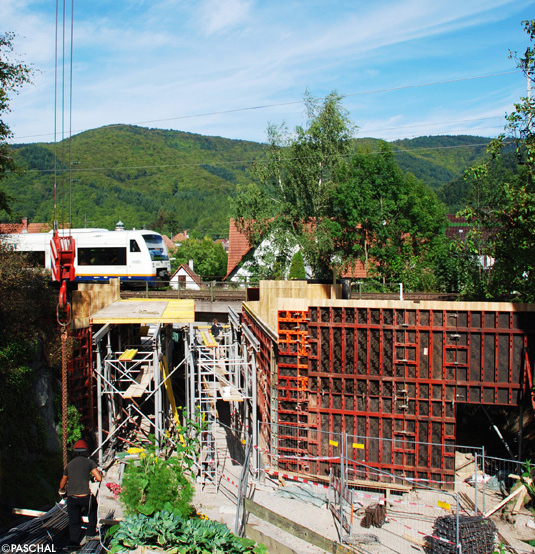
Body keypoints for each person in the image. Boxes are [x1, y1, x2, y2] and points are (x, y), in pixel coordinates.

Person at [59, 439, 102, 547]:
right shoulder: (89, 462)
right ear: (86, 451)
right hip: (85, 497)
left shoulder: (69, 464)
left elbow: (62, 482)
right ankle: (91, 533)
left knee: (74, 520)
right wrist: (92, 478)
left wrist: (62, 490)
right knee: (92, 510)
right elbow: (99, 478)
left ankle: (74, 543)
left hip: (72, 498)